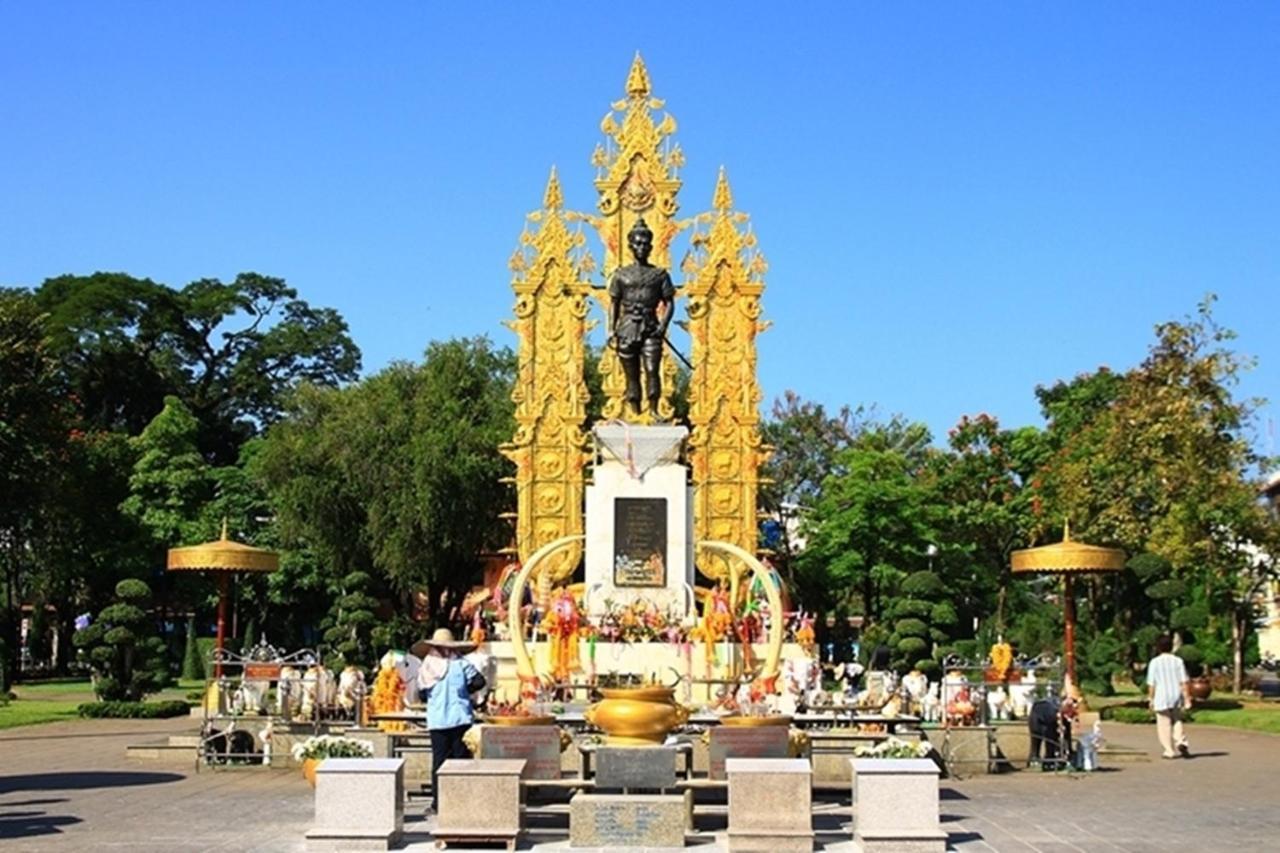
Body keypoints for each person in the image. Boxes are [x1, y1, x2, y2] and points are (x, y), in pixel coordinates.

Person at [608, 216, 676, 418]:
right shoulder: (621, 275)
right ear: (630, 245)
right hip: (628, 326)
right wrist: (611, 330)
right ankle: (635, 410)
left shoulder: (659, 275)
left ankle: (654, 409)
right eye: (637, 243)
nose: (641, 247)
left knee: (652, 368)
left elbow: (670, 302)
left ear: (651, 246)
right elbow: (614, 303)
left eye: (645, 244)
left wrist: (663, 326)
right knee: (632, 373)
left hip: (651, 326)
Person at [411, 627, 483, 812]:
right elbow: (479, 681)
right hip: (461, 717)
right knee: (461, 760)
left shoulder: (427, 666)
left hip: (438, 720)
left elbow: (421, 693)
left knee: (439, 761)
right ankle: (463, 799)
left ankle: (438, 803)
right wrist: (464, 692)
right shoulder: (460, 663)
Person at [1146, 633, 1192, 759]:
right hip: (1175, 693)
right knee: (1177, 719)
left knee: (1163, 723)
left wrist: (1150, 698)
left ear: (1158, 647)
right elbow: (1183, 681)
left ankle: (1169, 750)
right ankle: (1181, 741)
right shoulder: (1178, 661)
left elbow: (1151, 683)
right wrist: (1187, 698)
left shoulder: (1154, 662)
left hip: (1161, 695)